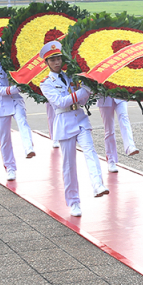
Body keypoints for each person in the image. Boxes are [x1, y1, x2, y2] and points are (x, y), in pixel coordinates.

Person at [39, 41, 107, 217]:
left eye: (59, 58)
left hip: (80, 118)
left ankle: (98, 184)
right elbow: (60, 102)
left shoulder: (71, 76)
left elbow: (82, 101)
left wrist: (90, 89)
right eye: (52, 60)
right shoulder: (45, 83)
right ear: (46, 63)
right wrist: (84, 91)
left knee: (90, 151)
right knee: (69, 165)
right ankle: (74, 201)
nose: (57, 62)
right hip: (64, 122)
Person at [0, 35, 35, 181]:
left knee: (23, 122)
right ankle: (10, 167)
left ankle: (28, 147)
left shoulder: (11, 63)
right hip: (2, 104)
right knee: (4, 138)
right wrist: (17, 88)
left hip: (16, 101)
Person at [97, 97, 139, 173]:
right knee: (109, 129)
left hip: (120, 96)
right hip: (104, 98)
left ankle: (130, 146)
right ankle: (111, 160)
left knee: (124, 118)